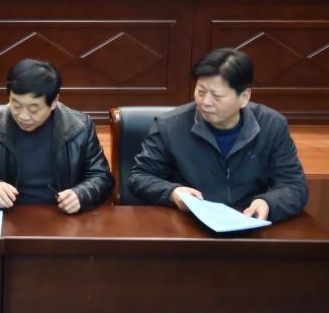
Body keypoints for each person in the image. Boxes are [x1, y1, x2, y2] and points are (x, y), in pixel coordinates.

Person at [129, 48, 307, 222]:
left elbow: (293, 185)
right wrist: (173, 192)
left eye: (217, 95)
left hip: (246, 220)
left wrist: (268, 203)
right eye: (201, 92)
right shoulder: (169, 126)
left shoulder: (272, 125)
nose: (205, 102)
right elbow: (140, 177)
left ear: (244, 97)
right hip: (188, 223)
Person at [0, 59, 113, 213]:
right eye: (16, 106)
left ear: (54, 102)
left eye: (33, 110)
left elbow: (102, 177)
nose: (23, 116)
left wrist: (81, 195)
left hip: (61, 217)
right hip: (8, 218)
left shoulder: (80, 128)